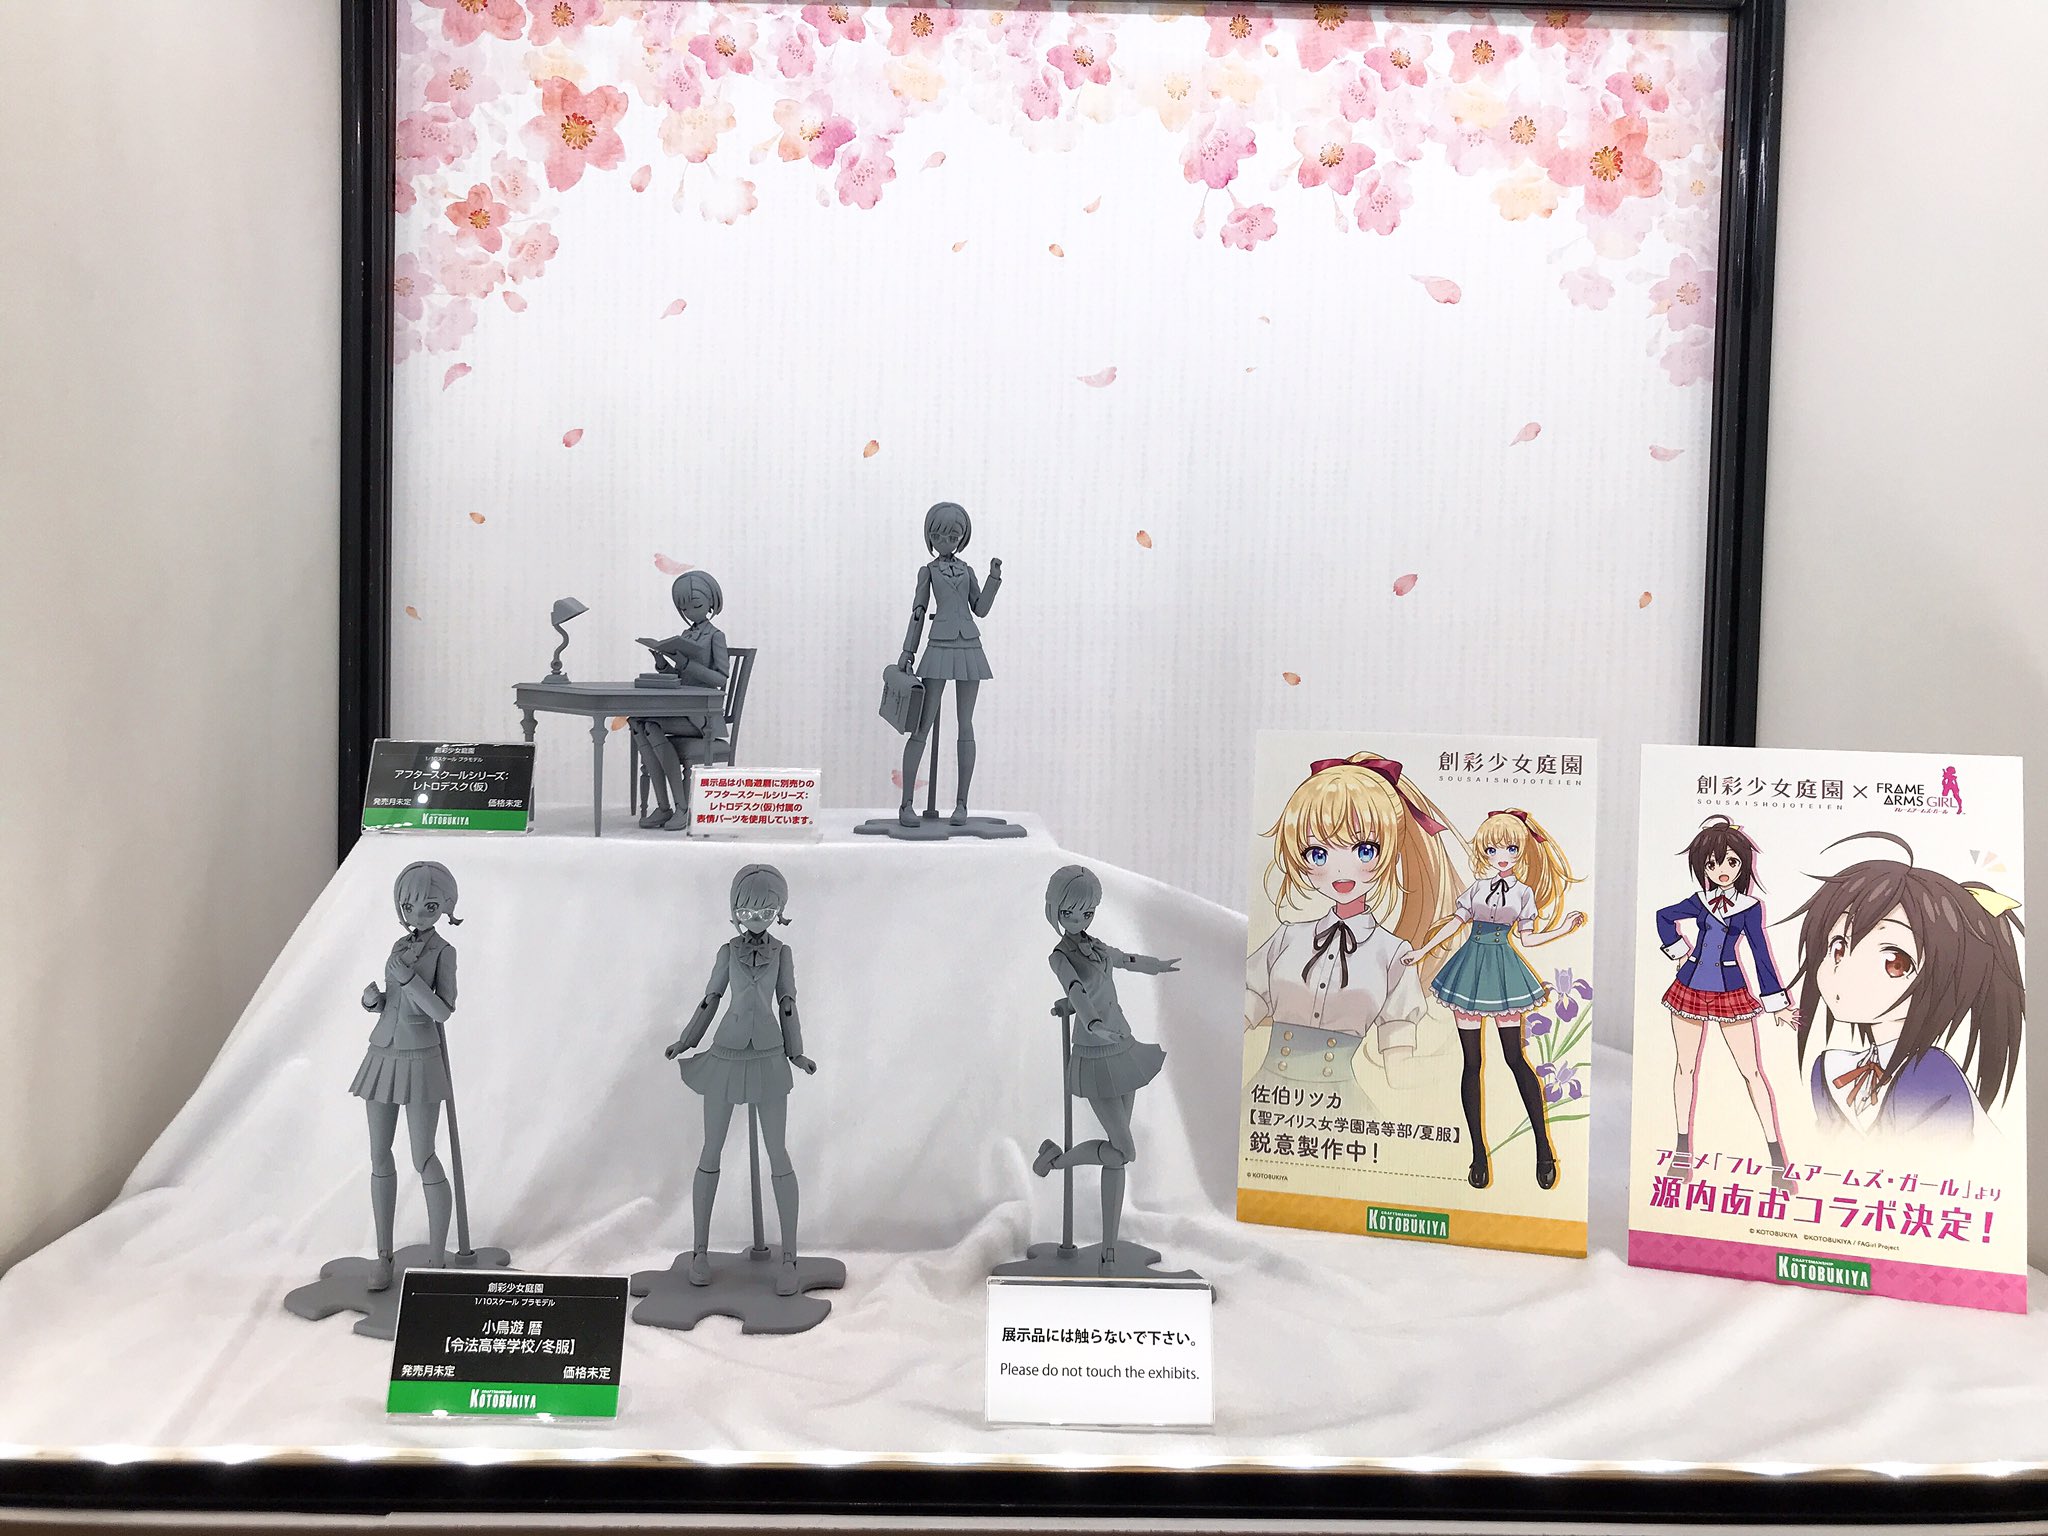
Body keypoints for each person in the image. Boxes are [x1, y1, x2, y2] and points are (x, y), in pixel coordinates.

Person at [1245, 753, 1461, 1117]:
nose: (1341, 869)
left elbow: (1398, 1060)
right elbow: (1244, 1008)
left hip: (1342, 1109)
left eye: (1364, 850)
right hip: (1268, 1103)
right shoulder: (1287, 939)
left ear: (1391, 851)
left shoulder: (1394, 954)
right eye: (1318, 853)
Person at [1789, 832, 2023, 1145]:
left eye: (1895, 962)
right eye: (1839, 947)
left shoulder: (1932, 1076)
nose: (1844, 972)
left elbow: (1937, 1163)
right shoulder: (1828, 1069)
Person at [1406, 808, 1585, 1189]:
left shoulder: (1523, 893)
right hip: (1469, 969)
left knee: (1514, 1058)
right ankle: (1478, 1153)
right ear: (1483, 852)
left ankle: (1543, 1147)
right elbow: (1456, 924)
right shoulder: (1476, 889)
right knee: (1471, 1062)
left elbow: (1527, 939)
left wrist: (1564, 930)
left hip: (1503, 972)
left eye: (1510, 849)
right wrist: (1422, 952)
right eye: (1492, 849)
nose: (1501, 856)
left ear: (1521, 851)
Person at [665, 864, 816, 1295]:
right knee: (710, 1150)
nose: (756, 919)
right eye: (748, 911)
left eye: (766, 911)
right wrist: (687, 1039)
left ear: (779, 911)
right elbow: (710, 999)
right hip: (727, 1052)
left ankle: (789, 1257)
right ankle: (700, 1252)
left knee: (778, 1154)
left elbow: (788, 1003)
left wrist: (797, 1052)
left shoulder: (782, 953)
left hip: (769, 1055)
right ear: (735, 910)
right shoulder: (727, 952)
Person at [1032, 865, 1180, 1271]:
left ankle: (1108, 1248)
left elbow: (1124, 959)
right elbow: (1076, 990)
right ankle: (1056, 1162)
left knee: (1117, 1156)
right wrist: (1092, 1022)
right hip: (1094, 1051)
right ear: (1056, 911)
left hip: (1122, 1044)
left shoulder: (1094, 945)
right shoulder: (1060, 956)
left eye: (1087, 912)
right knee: (1124, 1149)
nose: (1079, 920)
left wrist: (1156, 965)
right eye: (1070, 913)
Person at [1653, 816, 1800, 1189]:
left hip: (1730, 990)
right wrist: (1679, 952)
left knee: (1752, 1071)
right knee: (1685, 1067)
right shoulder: (1700, 901)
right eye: (1713, 863)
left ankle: (1777, 1157)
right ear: (1703, 866)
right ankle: (1682, 1152)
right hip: (1690, 986)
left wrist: (1777, 1004)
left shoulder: (1749, 907)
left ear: (1742, 865)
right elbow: (1664, 917)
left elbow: (1760, 953)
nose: (1722, 870)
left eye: (1731, 862)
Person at [352, 860, 464, 1292]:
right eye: (410, 906)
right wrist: (374, 1001)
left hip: (420, 1057)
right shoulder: (399, 944)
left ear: (445, 907)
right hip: (383, 1053)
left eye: (429, 906)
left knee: (423, 1157)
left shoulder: (444, 952)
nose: (418, 914)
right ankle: (384, 1255)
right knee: (379, 1156)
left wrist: (409, 981)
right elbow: (394, 1003)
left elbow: (442, 1011)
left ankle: (437, 1258)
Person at [895, 501, 1001, 827]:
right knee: (922, 725)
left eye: (953, 536)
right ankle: (906, 804)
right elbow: (918, 612)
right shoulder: (928, 571)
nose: (946, 542)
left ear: (962, 538)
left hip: (968, 645)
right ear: (930, 536)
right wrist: (908, 651)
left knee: (965, 725)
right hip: (939, 646)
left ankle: (961, 804)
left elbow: (980, 608)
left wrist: (993, 578)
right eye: (939, 536)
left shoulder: (967, 570)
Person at [633, 569, 731, 829]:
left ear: (711, 602)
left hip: (704, 718)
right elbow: (681, 676)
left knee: (651, 725)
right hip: (683, 711)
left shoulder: (715, 636)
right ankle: (664, 807)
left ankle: (681, 807)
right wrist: (662, 664)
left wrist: (687, 663)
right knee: (637, 722)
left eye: (696, 605)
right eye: (685, 608)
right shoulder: (686, 636)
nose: (690, 612)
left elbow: (721, 678)